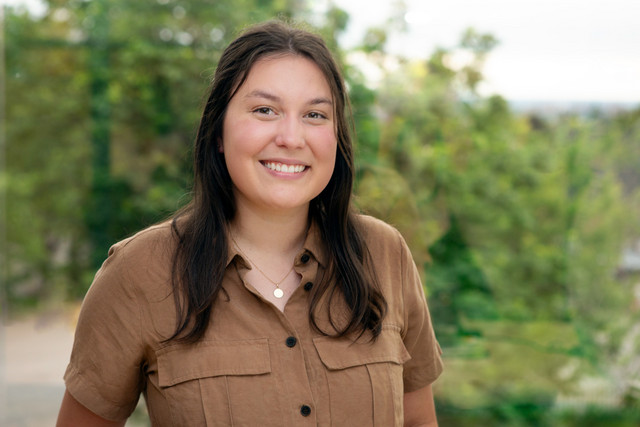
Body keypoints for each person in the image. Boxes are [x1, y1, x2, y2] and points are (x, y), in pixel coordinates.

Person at [57, 20, 443, 427]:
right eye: (265, 110)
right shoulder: (139, 272)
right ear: (218, 131)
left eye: (314, 114)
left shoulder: (385, 254)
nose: (292, 138)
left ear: (337, 137)